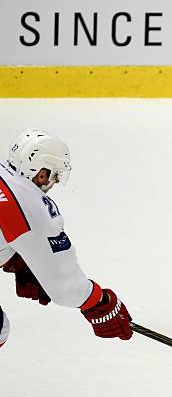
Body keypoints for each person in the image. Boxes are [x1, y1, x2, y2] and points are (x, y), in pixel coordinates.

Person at [0, 129, 132, 349]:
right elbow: (66, 286)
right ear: (41, 173)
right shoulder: (30, 206)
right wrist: (100, 303)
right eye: (54, 176)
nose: (53, 183)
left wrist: (13, 257)